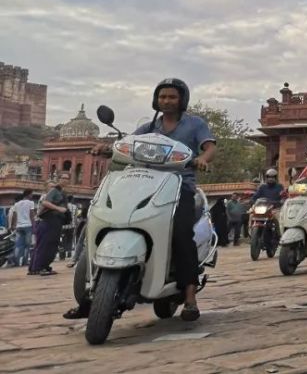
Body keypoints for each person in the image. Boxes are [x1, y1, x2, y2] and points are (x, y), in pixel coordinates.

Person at [64, 78, 216, 322]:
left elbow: (209, 147)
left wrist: (203, 159)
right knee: (99, 218)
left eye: (172, 97)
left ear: (182, 100)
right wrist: (106, 148)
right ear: (156, 100)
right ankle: (88, 292)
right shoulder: (148, 128)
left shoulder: (195, 124)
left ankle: (189, 296)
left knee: (180, 233)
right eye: (162, 97)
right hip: (141, 183)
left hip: (178, 186)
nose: (166, 101)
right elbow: (124, 145)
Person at [29, 175, 70, 276]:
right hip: (49, 220)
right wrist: (58, 209)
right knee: (45, 245)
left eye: (67, 178)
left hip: (56, 221)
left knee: (52, 244)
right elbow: (45, 203)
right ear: (59, 180)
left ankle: (44, 266)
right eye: (63, 178)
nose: (65, 180)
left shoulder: (62, 192)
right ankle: (39, 267)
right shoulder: (55, 191)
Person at [10, 190, 36, 267]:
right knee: (27, 245)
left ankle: (16, 262)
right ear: (28, 194)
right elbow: (32, 215)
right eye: (31, 194)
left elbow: (14, 216)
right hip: (28, 226)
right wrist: (34, 226)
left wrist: (12, 226)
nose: (32, 196)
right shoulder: (31, 203)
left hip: (18, 227)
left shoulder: (16, 204)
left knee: (18, 245)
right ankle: (24, 262)